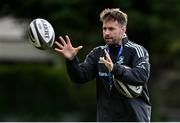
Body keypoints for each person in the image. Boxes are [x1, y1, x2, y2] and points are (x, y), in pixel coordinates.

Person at [54, 8, 151, 122]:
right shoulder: (98, 53)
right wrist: (71, 60)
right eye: (104, 29)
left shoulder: (136, 50)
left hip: (133, 118)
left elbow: (142, 75)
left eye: (111, 29)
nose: (106, 33)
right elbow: (79, 77)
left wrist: (115, 68)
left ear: (123, 29)